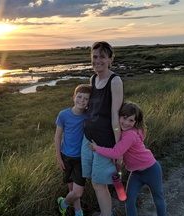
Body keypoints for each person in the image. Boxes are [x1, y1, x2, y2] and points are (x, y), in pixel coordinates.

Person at [89, 102, 166, 216]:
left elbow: (116, 152)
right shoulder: (126, 132)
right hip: (136, 173)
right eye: (124, 118)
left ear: (136, 122)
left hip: (151, 170)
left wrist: (97, 148)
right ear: (119, 116)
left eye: (131, 120)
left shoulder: (129, 135)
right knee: (129, 200)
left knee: (158, 198)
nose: (126, 123)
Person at [81, 41, 124, 216]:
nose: (98, 61)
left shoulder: (115, 81)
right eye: (95, 57)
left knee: (100, 184)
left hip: (104, 142)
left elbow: (115, 116)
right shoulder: (93, 79)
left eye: (102, 57)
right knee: (95, 181)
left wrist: (118, 149)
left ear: (110, 59)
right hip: (88, 139)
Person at [55, 84, 92, 216]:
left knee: (78, 192)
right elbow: (58, 137)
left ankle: (63, 203)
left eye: (86, 99)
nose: (82, 100)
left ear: (89, 102)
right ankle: (78, 212)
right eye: (79, 97)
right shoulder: (63, 115)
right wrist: (59, 158)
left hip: (81, 158)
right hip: (65, 156)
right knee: (71, 188)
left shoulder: (88, 115)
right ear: (74, 97)